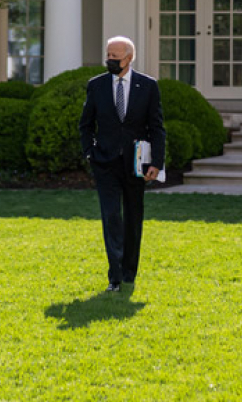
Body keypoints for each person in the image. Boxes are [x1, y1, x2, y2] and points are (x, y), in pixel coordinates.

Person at [79, 35, 165, 293]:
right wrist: (89, 153)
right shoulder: (96, 85)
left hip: (136, 164)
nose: (110, 60)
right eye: (108, 56)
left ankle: (129, 271)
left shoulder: (148, 86)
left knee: (133, 217)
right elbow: (86, 124)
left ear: (129, 58)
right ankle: (114, 276)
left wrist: (156, 163)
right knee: (111, 216)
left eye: (115, 57)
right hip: (105, 162)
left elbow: (157, 128)